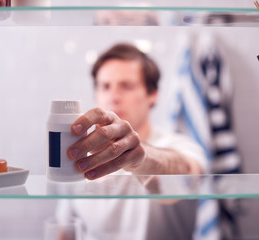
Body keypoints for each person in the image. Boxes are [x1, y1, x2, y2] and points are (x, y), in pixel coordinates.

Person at [56, 43, 208, 240]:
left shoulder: (181, 146)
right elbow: (64, 233)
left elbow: (187, 172)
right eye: (105, 86)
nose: (114, 97)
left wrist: (140, 157)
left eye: (126, 86)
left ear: (152, 95)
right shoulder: (78, 156)